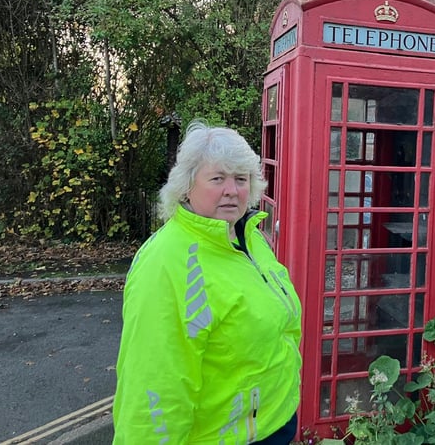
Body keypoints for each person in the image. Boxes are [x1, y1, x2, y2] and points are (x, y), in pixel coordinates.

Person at [113, 119, 302, 444]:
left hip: (275, 423)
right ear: (187, 186)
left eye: (241, 179)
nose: (232, 190)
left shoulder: (248, 237)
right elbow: (153, 385)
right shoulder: (167, 263)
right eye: (217, 178)